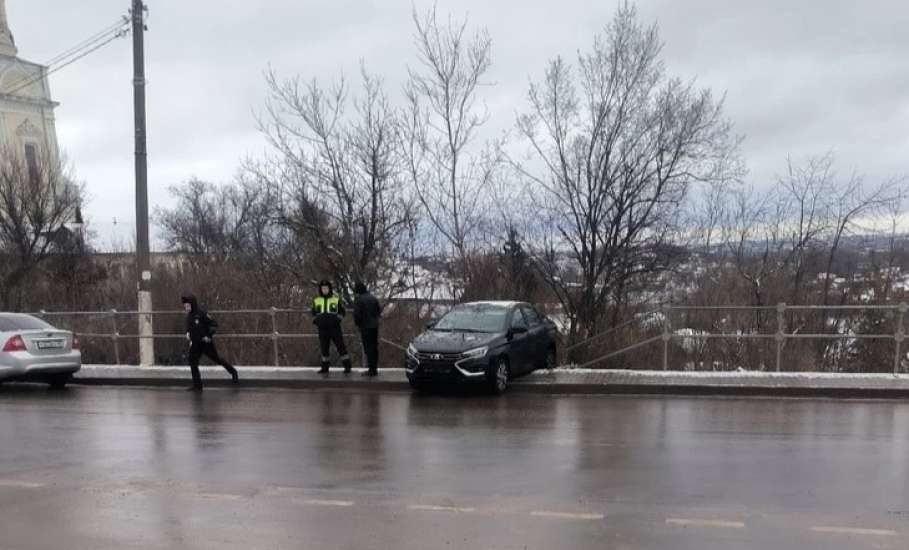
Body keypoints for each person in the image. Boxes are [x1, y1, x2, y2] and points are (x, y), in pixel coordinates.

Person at [182, 293, 239, 391]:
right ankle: (197, 385)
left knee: (217, 359)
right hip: (195, 344)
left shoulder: (202, 314)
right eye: (185, 306)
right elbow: (189, 328)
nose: (186, 308)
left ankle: (233, 372)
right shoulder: (189, 316)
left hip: (205, 343)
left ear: (193, 304)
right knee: (192, 362)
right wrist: (187, 333)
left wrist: (209, 336)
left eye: (188, 306)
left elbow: (214, 324)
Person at [311, 279, 352, 374]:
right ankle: (325, 368)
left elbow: (342, 312)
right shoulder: (316, 299)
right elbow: (313, 313)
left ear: (330, 289)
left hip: (335, 328)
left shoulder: (336, 299)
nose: (325, 289)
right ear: (320, 289)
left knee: (340, 346)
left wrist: (337, 320)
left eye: (326, 288)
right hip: (322, 329)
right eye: (323, 288)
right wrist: (316, 321)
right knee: (324, 348)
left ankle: (347, 366)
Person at [353, 282, 383, 377]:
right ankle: (374, 368)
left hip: (365, 327)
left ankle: (371, 370)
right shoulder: (373, 298)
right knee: (374, 348)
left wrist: (358, 324)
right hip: (374, 326)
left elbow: (357, 315)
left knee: (368, 348)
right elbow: (378, 310)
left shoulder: (359, 300)